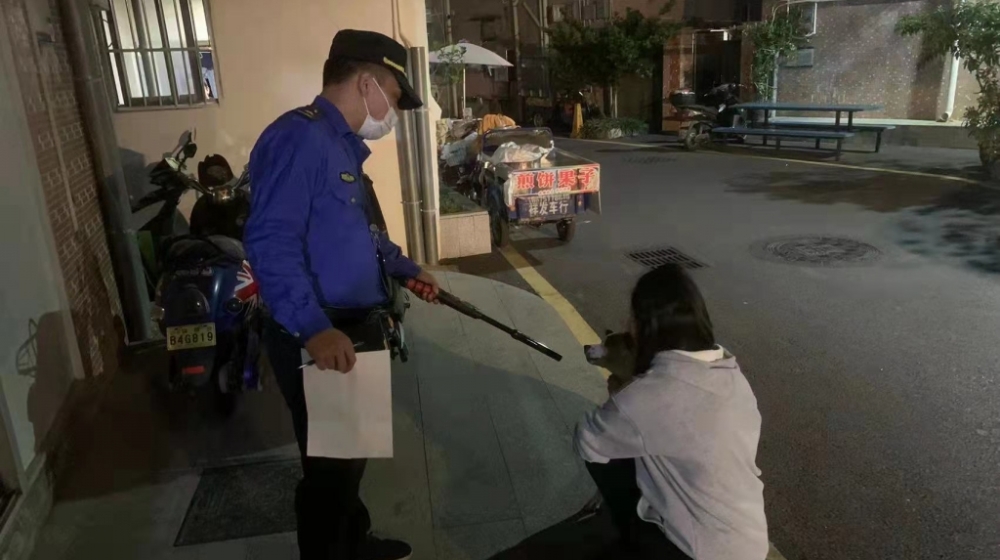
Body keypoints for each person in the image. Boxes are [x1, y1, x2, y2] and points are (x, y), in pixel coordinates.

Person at [245, 29, 439, 560]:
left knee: (350, 455)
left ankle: (355, 542)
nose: (392, 114)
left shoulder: (339, 145)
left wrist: (405, 269)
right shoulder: (299, 139)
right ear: (367, 83)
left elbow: (360, 232)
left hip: (351, 325)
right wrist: (314, 329)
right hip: (323, 331)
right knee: (329, 471)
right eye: (394, 98)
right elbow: (271, 241)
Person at [574, 264, 769, 560]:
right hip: (749, 538)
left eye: (632, 319)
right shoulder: (730, 373)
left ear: (645, 327)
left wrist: (624, 393)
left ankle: (630, 533)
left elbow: (587, 441)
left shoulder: (652, 394)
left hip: (700, 550)